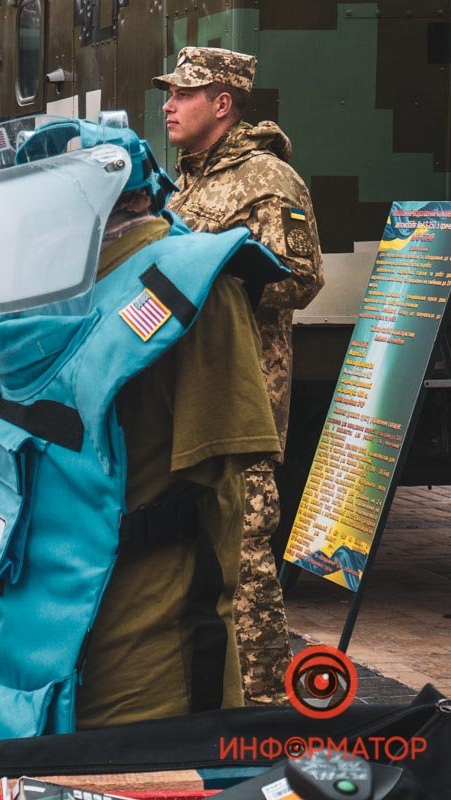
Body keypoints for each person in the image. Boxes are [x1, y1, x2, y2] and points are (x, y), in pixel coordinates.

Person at [0, 118, 285, 741]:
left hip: (24, 643)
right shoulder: (182, 287)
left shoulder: (23, 297)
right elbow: (233, 498)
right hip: (135, 672)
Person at [155, 47, 325, 705]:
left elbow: (304, 278)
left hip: (244, 394)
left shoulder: (268, 179)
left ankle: (262, 707)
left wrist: (217, 276)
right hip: (189, 393)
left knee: (247, 555)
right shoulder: (187, 180)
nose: (169, 105)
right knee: (195, 548)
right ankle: (204, 695)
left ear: (222, 104)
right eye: (168, 93)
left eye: (184, 94)